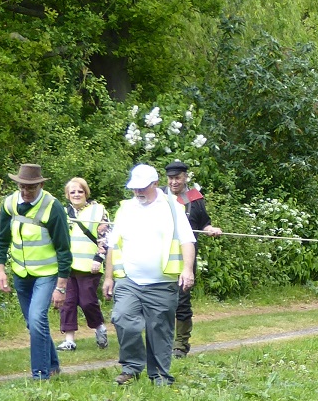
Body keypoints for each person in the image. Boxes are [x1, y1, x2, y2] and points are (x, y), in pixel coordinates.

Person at [104, 164, 196, 385]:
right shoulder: (125, 209)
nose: (138, 192)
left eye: (142, 187)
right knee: (123, 318)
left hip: (162, 283)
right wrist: (108, 277)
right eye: (134, 187)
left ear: (155, 184)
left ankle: (160, 375)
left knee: (159, 330)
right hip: (129, 281)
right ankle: (131, 368)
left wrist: (187, 269)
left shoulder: (172, 207)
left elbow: (187, 241)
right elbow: (113, 245)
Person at [0, 164, 73, 380]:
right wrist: (1, 270)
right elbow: (0, 239)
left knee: (37, 319)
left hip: (47, 273)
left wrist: (61, 287)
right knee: (33, 323)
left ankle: (40, 375)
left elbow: (64, 249)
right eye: (22, 187)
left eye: (31, 187)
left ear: (41, 185)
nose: (26, 192)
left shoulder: (52, 207)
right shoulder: (10, 203)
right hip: (21, 273)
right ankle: (53, 365)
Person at [163, 160, 222, 357]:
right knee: (159, 302)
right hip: (160, 258)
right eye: (170, 178)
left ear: (185, 177)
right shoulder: (159, 197)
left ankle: (180, 345)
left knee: (182, 300)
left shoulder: (194, 199)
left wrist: (210, 229)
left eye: (177, 178)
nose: (173, 182)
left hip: (184, 259)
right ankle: (160, 342)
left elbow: (204, 223)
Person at [58, 177, 109, 352]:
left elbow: (105, 237)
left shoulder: (98, 210)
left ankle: (99, 327)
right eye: (72, 192)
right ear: (67, 195)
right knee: (68, 302)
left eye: (80, 191)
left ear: (86, 193)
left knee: (87, 302)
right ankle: (69, 340)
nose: (76, 194)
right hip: (67, 266)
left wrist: (99, 258)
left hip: (89, 267)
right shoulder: (63, 212)